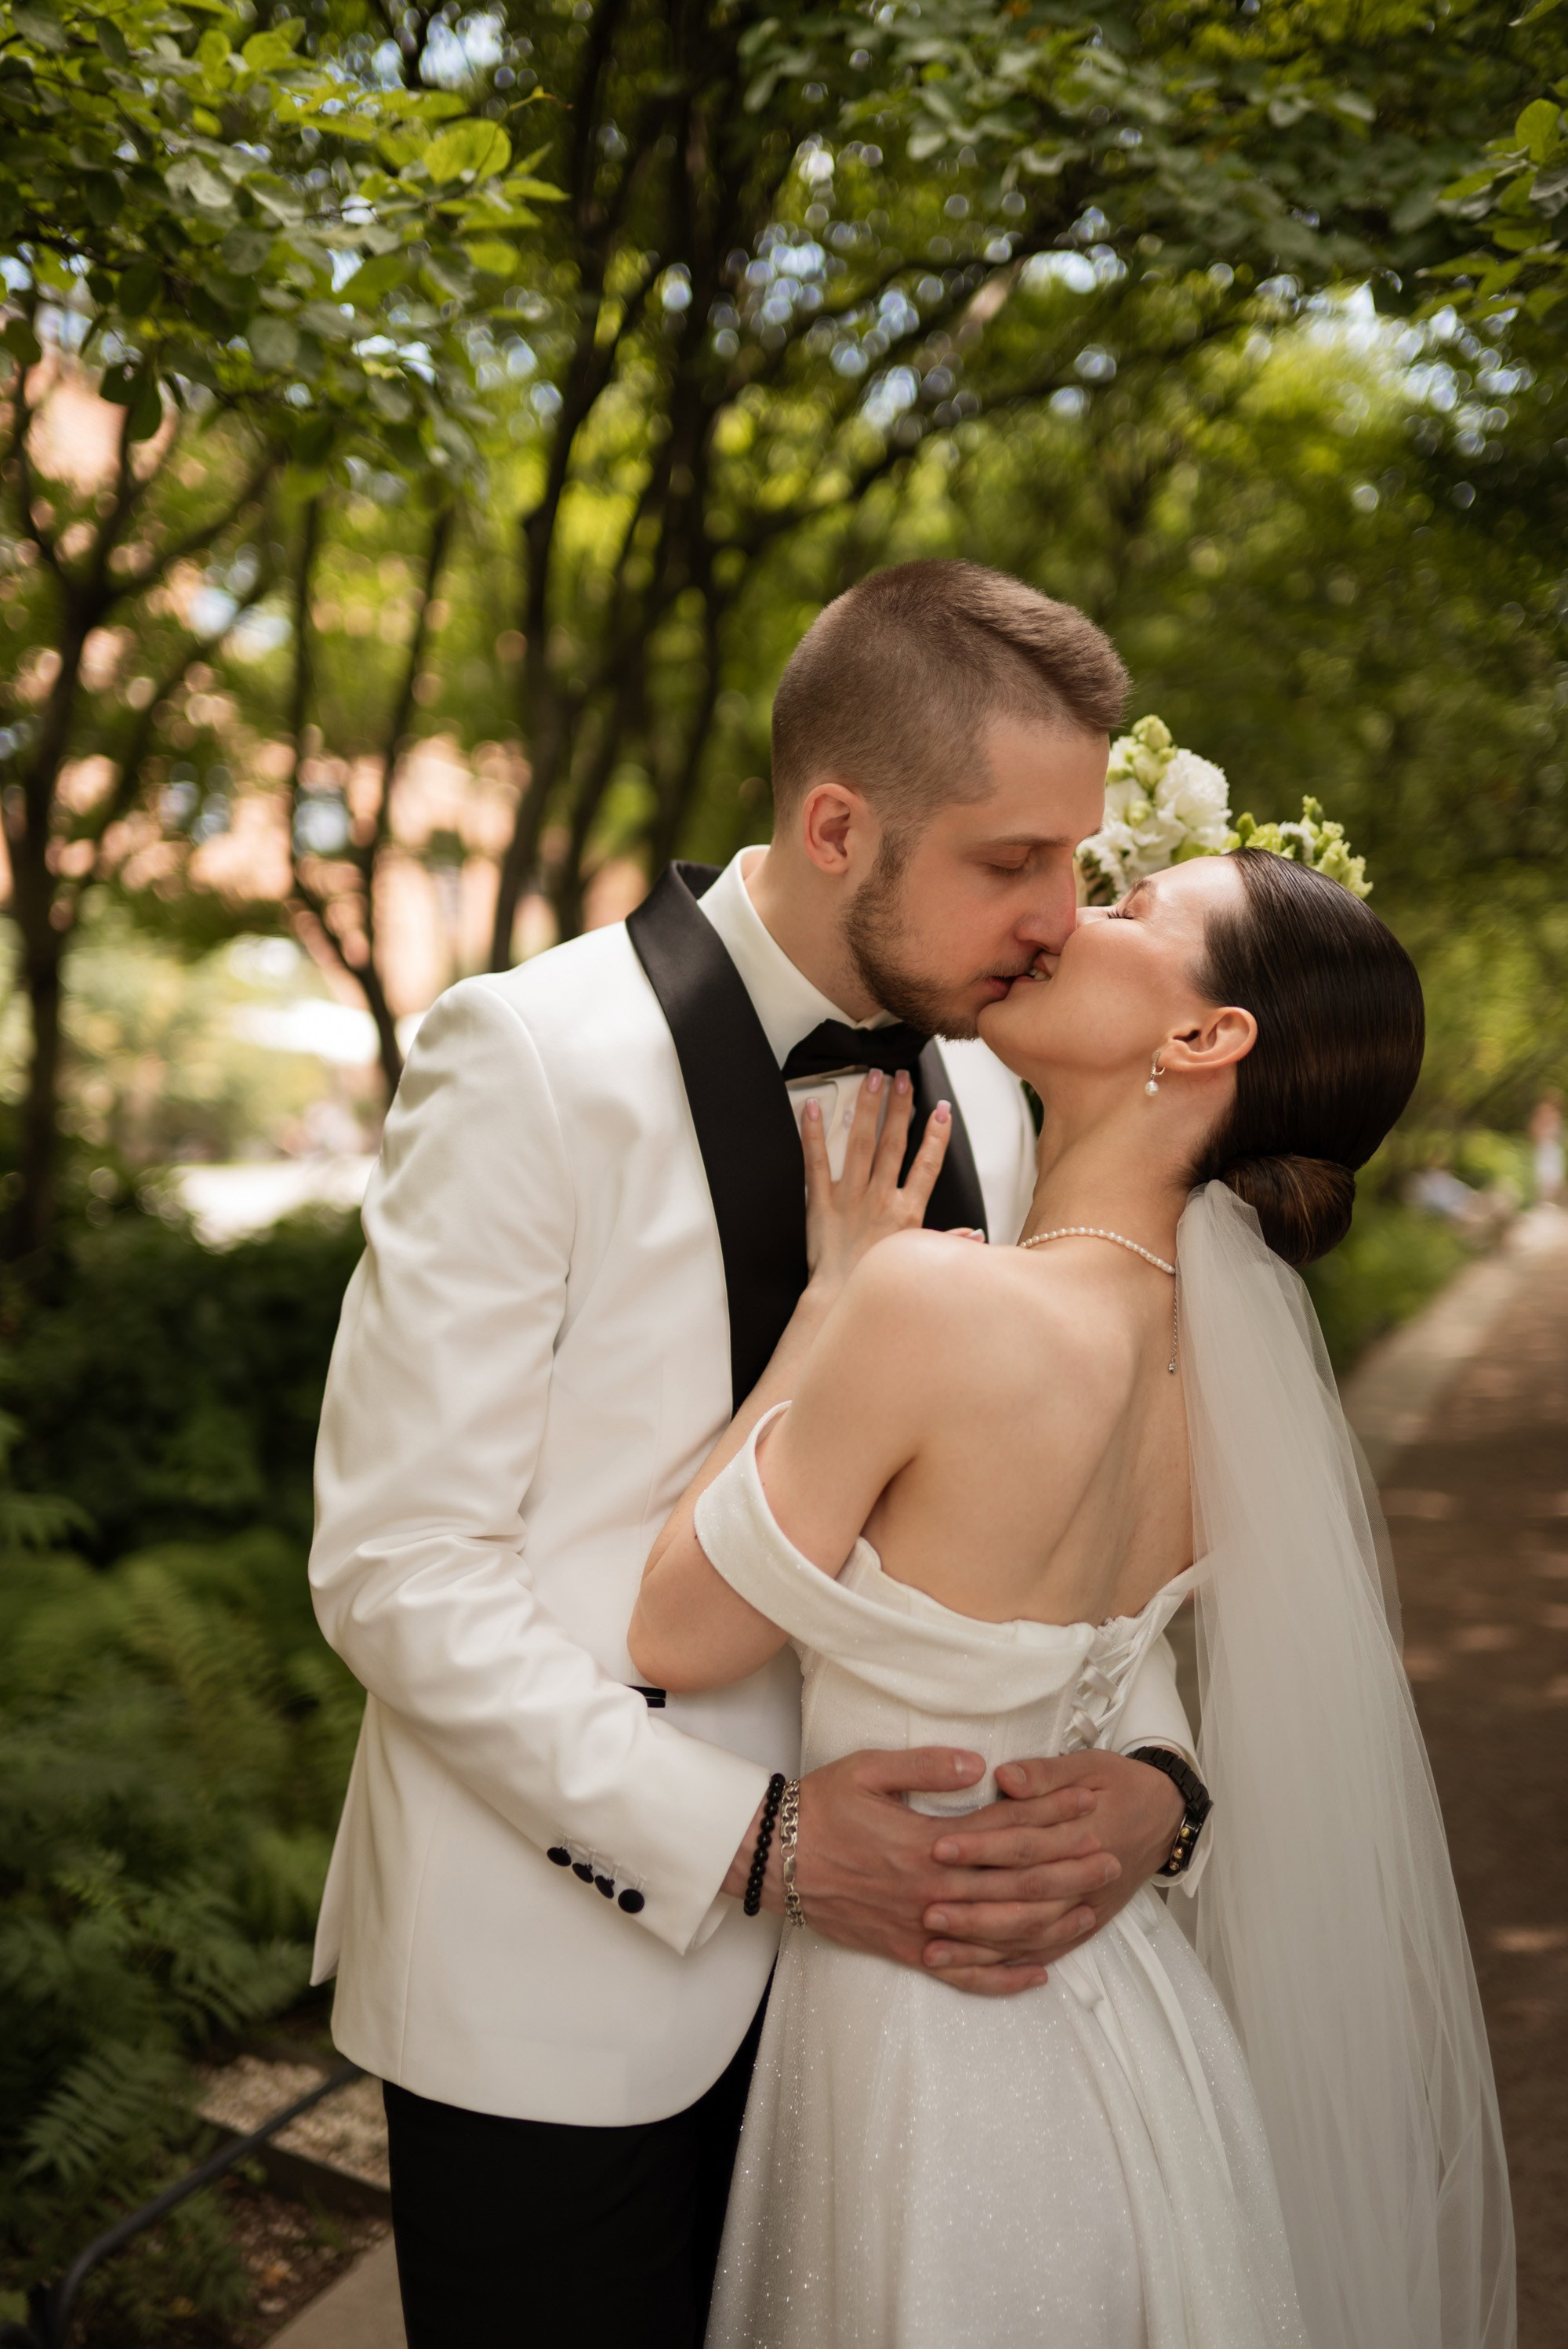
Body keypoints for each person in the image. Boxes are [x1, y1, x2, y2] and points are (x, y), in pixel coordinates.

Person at [307, 563, 1204, 2347]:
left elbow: (1062, 1493)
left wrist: (1163, 1789)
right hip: (561, 2009)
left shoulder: (1006, 1098)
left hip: (908, 2043)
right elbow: (397, 1573)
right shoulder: (529, 1059)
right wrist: (758, 1842)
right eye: (1010, 860)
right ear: (836, 821)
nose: (1054, 917)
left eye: (1076, 862)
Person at [631, 848, 1517, 2349]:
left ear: (1204, 1038)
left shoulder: (934, 1304)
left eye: (1131, 912)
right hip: (1141, 2044)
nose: (1070, 917)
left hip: (923, 2043)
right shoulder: (1224, 1376)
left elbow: (679, 1630)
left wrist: (840, 1293)